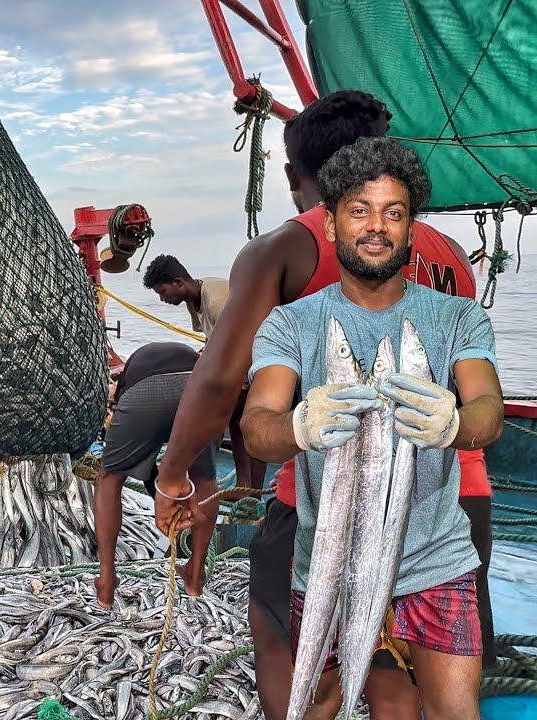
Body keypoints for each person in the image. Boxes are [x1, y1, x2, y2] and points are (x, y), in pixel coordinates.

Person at [148, 90, 496, 719]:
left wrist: (173, 473)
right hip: (462, 499)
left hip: (358, 512)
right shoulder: (445, 251)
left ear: (294, 176)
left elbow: (221, 378)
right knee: (403, 685)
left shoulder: (283, 246)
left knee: (297, 665)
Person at [240, 135, 502, 719]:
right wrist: (300, 426)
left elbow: (489, 409)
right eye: (359, 210)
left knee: (456, 710)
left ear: (412, 228)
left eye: (394, 212)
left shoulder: (455, 315)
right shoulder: (291, 325)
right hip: (326, 558)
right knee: (316, 701)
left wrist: (455, 423)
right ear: (331, 224)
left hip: (437, 558)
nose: (376, 227)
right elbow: (258, 426)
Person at [94, 342, 219, 607]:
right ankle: (195, 575)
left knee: (109, 477)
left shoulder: (124, 384)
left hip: (145, 392)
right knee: (205, 478)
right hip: (198, 385)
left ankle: (106, 581)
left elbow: (143, 463)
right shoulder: (169, 355)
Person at [142, 255, 264, 490]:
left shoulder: (217, 301)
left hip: (256, 358)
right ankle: (243, 484)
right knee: (236, 422)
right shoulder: (194, 298)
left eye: (163, 292)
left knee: (251, 425)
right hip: (237, 358)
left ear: (178, 282)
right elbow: (213, 340)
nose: (162, 299)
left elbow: (245, 341)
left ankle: (254, 491)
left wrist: (234, 385)